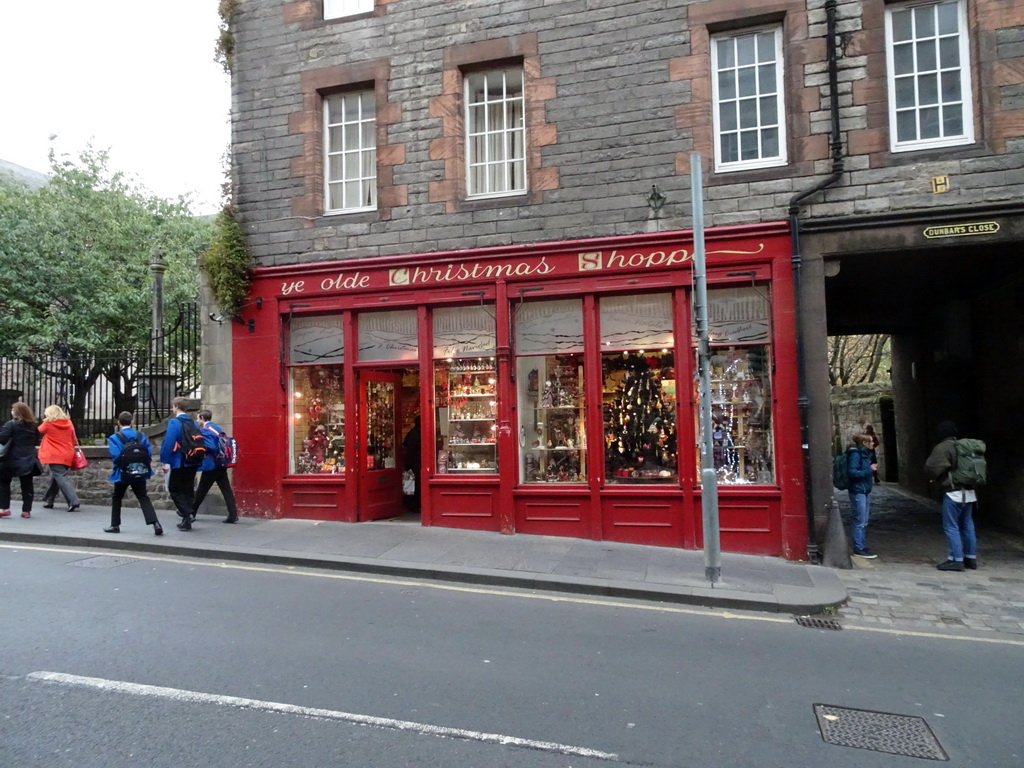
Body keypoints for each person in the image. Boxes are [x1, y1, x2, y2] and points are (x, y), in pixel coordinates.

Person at [925, 420, 977, 572]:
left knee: (951, 526)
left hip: (953, 492)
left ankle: (955, 560)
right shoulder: (966, 446)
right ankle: (970, 558)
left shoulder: (942, 447)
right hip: (969, 492)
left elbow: (932, 469)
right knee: (968, 524)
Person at [105, 412, 163, 536]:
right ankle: (156, 523)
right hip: (140, 471)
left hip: (122, 473)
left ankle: (115, 525)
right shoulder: (140, 436)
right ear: (132, 422)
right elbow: (148, 453)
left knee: (117, 497)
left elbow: (115, 456)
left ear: (118, 423)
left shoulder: (114, 438)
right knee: (143, 497)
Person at [191, 409, 238, 524]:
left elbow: (211, 446)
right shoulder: (216, 428)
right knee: (226, 489)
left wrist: (202, 448)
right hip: (221, 463)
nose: (197, 420)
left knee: (201, 489)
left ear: (202, 418)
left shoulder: (206, 430)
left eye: (198, 418)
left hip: (212, 464)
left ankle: (191, 513)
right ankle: (233, 514)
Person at [160, 396, 199, 531]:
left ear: (176, 406)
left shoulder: (174, 423)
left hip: (179, 461)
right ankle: (186, 520)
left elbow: (169, 443)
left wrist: (165, 460)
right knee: (188, 489)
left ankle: (187, 514)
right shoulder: (194, 423)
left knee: (174, 488)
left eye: (173, 406)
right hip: (193, 460)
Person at [0, 402, 42, 518]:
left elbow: (3, 439)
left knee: (4, 483)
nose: (11, 411)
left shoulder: (11, 424)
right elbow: (35, 442)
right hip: (28, 458)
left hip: (11, 458)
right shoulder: (34, 426)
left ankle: (3, 508)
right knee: (27, 484)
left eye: (13, 409)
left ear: (17, 412)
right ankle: (26, 510)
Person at [37, 405, 82, 512]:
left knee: (61, 477)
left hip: (55, 455)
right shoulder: (69, 423)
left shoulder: (48, 424)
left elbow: (39, 429)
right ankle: (49, 500)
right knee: (57, 477)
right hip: (67, 453)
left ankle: (73, 501)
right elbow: (73, 439)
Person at [846, 433, 878, 558]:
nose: (873, 444)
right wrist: (870, 469)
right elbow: (852, 472)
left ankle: (862, 545)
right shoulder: (856, 455)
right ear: (864, 443)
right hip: (858, 491)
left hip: (865, 491)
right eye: (871, 442)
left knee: (863, 520)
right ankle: (858, 547)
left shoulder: (865, 454)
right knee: (859, 520)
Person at [402, 414, 421, 511]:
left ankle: (413, 503)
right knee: (417, 482)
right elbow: (410, 449)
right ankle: (415, 504)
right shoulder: (418, 433)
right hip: (416, 461)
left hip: (414, 461)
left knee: (415, 482)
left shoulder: (412, 433)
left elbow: (405, 445)